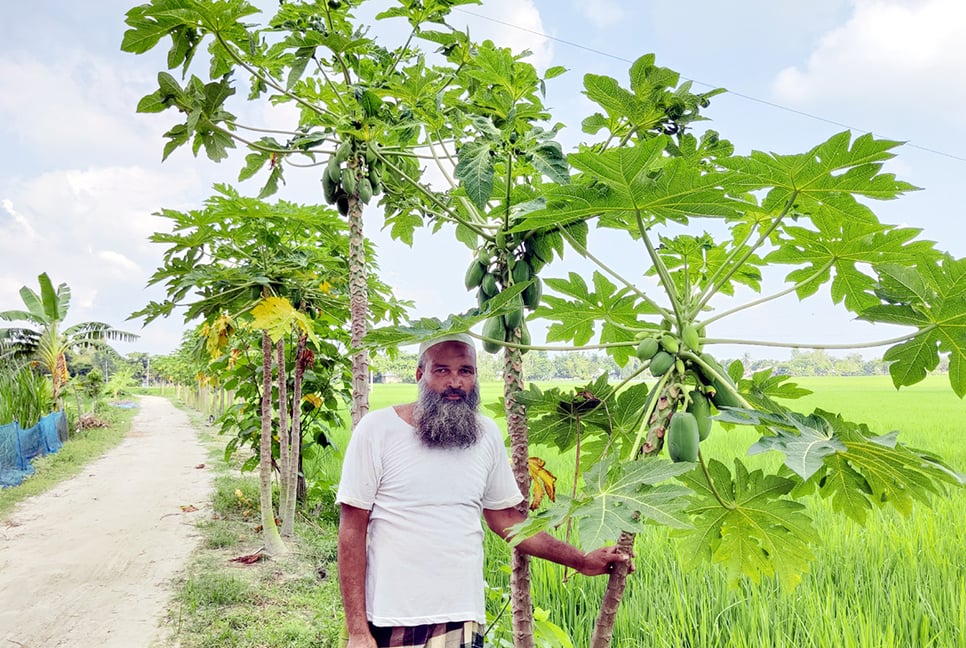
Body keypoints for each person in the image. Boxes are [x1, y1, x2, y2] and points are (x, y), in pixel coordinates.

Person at [336, 333, 631, 648]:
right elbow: (352, 530)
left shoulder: (485, 435)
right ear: (420, 374)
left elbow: (507, 519)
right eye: (442, 370)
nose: (455, 382)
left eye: (465, 371)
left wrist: (581, 560)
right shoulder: (378, 430)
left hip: (461, 614)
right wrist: (357, 629)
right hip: (392, 615)